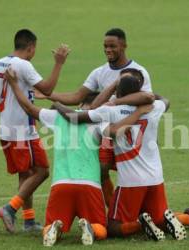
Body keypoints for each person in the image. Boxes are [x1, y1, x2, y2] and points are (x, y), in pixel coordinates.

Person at [4, 68, 152, 246]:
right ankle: (90, 227)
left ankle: (54, 228)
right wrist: (137, 114)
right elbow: (115, 132)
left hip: (61, 185)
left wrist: (13, 84)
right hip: (89, 186)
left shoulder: (57, 118)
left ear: (81, 104)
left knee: (50, 225)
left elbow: (28, 107)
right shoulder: (98, 121)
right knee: (101, 229)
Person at [54, 73, 189, 241]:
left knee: (112, 226)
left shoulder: (110, 110)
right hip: (156, 178)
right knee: (159, 218)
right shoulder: (154, 107)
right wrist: (145, 96)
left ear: (118, 92)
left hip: (131, 181)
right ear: (139, 91)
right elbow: (165, 99)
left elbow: (74, 117)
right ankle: (188, 218)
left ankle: (141, 224)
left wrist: (57, 104)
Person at [36, 28, 154, 207]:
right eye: (105, 46)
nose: (108, 50)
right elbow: (77, 97)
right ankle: (113, 210)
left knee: (130, 175)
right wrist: (49, 95)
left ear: (124, 45)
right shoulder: (100, 72)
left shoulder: (138, 72)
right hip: (106, 133)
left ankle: (134, 211)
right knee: (101, 171)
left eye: (112, 46)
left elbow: (146, 99)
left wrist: (116, 101)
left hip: (129, 133)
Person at [0, 29, 70, 233]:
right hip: (23, 131)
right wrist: (59, 63)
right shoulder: (23, 65)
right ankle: (10, 209)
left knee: (25, 174)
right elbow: (47, 89)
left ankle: (28, 221)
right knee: (42, 171)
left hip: (6, 131)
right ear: (31, 47)